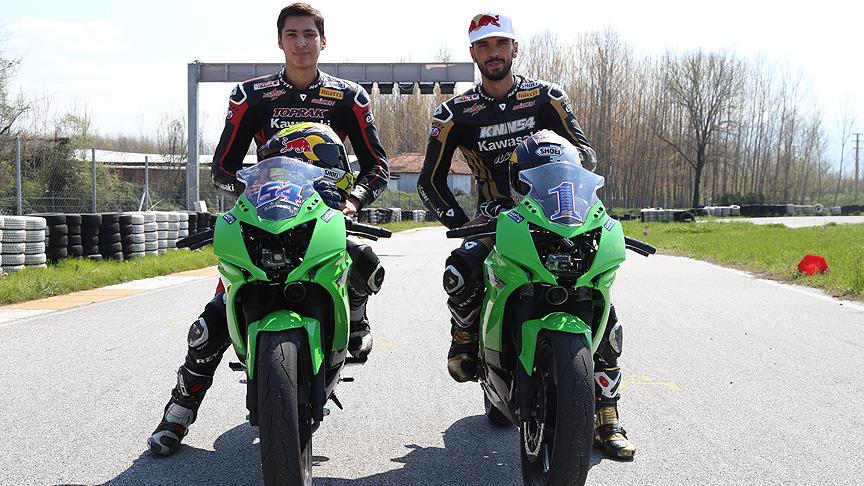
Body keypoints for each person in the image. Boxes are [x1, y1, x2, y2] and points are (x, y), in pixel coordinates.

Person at [148, 3, 390, 457]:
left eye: (309, 34)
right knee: (213, 320)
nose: (301, 43)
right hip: (264, 215)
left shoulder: (349, 97)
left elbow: (377, 166)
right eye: (292, 34)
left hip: (323, 216)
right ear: (280, 41)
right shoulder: (252, 95)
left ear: (323, 41)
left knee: (364, 259)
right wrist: (249, 192)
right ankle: (177, 412)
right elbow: (223, 166)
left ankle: (355, 319)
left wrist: (353, 200)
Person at [417, 12, 635, 459]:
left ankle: (607, 415)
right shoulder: (453, 112)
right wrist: (460, 221)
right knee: (461, 270)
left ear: (514, 48)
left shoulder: (547, 96)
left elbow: (586, 152)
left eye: (501, 43)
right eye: (484, 45)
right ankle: (465, 337)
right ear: (472, 52)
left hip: (558, 212)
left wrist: (559, 163)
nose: (493, 53)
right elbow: (428, 181)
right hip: (497, 216)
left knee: (599, 295)